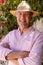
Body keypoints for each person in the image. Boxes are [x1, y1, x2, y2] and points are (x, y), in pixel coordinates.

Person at [0, 1, 43, 65]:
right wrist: (21, 54)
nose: (22, 17)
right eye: (20, 14)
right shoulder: (11, 34)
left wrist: (8, 57)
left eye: (26, 14)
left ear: (31, 16)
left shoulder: (38, 36)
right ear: (16, 16)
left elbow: (35, 62)